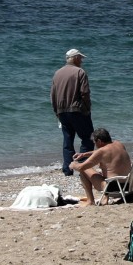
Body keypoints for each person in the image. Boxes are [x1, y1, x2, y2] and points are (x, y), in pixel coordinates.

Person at [51, 48, 94, 177]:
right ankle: (83, 167)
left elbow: (53, 95)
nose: (81, 61)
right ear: (74, 58)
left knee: (68, 140)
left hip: (62, 111)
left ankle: (67, 169)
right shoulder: (80, 72)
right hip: (77, 110)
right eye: (80, 58)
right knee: (88, 139)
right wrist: (87, 108)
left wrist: (56, 112)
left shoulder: (57, 73)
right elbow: (84, 93)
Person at [70, 128, 131, 206]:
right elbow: (102, 152)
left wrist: (73, 164)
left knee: (84, 170)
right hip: (128, 185)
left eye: (95, 142)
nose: (95, 145)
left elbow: (81, 167)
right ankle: (104, 198)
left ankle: (90, 201)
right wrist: (84, 154)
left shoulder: (102, 151)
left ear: (99, 141)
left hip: (113, 188)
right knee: (106, 170)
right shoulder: (119, 144)